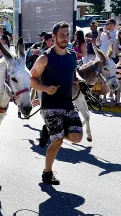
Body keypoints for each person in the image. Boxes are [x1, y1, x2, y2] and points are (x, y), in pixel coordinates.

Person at [30, 21, 83, 185]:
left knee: (77, 137)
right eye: (61, 35)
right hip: (50, 106)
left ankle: (48, 131)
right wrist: (45, 88)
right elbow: (31, 79)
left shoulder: (72, 56)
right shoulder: (44, 58)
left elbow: (72, 73)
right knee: (58, 140)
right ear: (53, 37)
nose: (65, 38)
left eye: (67, 35)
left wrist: (79, 79)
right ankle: (47, 173)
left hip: (68, 104)